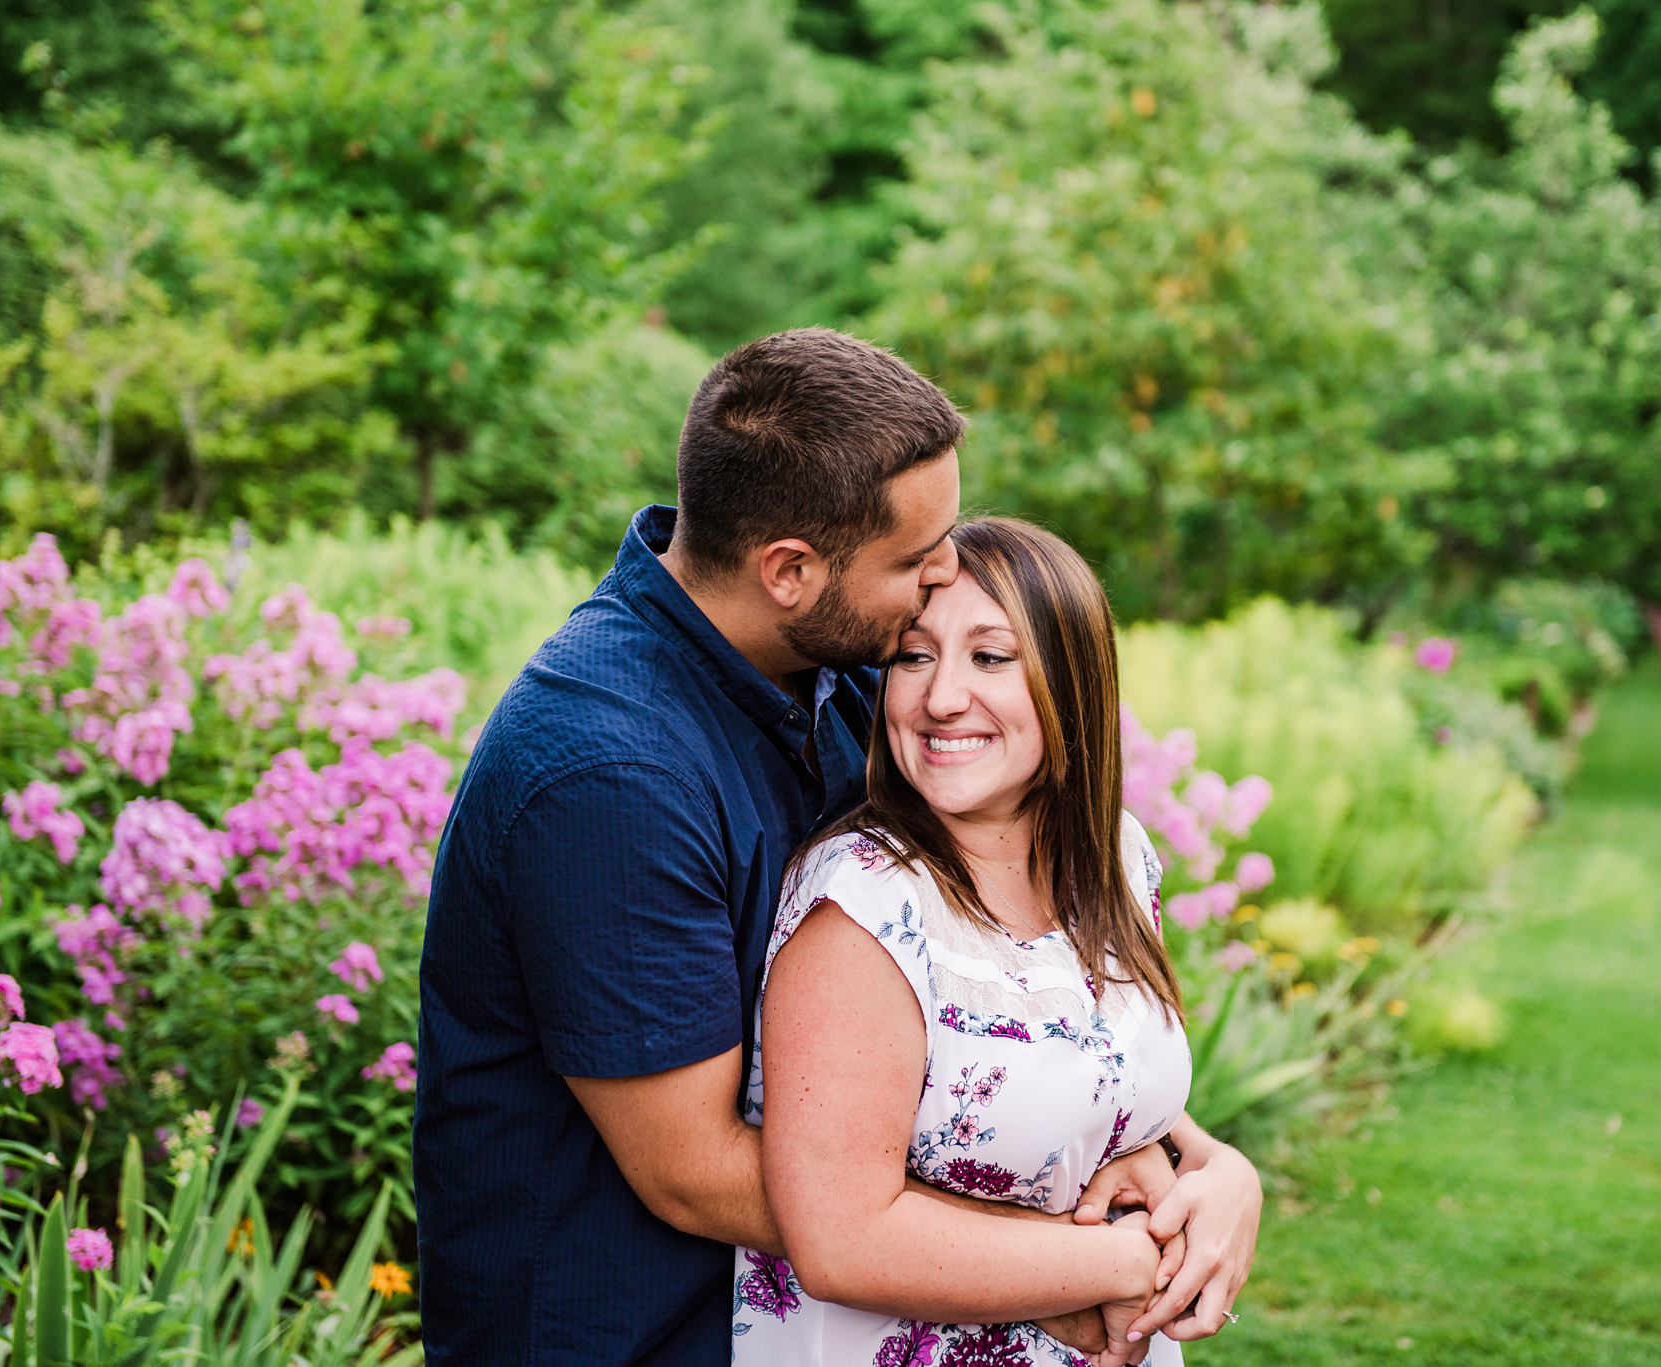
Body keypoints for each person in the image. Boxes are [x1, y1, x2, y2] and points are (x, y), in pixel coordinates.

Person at [414, 329, 1259, 1366]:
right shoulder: (608, 770)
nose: (946, 573)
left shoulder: (846, 671)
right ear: (789, 569)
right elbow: (695, 1168)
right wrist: (1084, 1256)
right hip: (624, 1330)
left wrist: (1196, 1166)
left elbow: (1006, 1022)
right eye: (914, 557)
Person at [735, 517, 1257, 1366]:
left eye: (990, 656)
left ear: (1071, 681)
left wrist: (1223, 1171)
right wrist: (1124, 1259)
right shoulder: (865, 908)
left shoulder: (1117, 861)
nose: (941, 697)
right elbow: (841, 1240)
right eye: (912, 655)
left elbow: (1095, 1079)